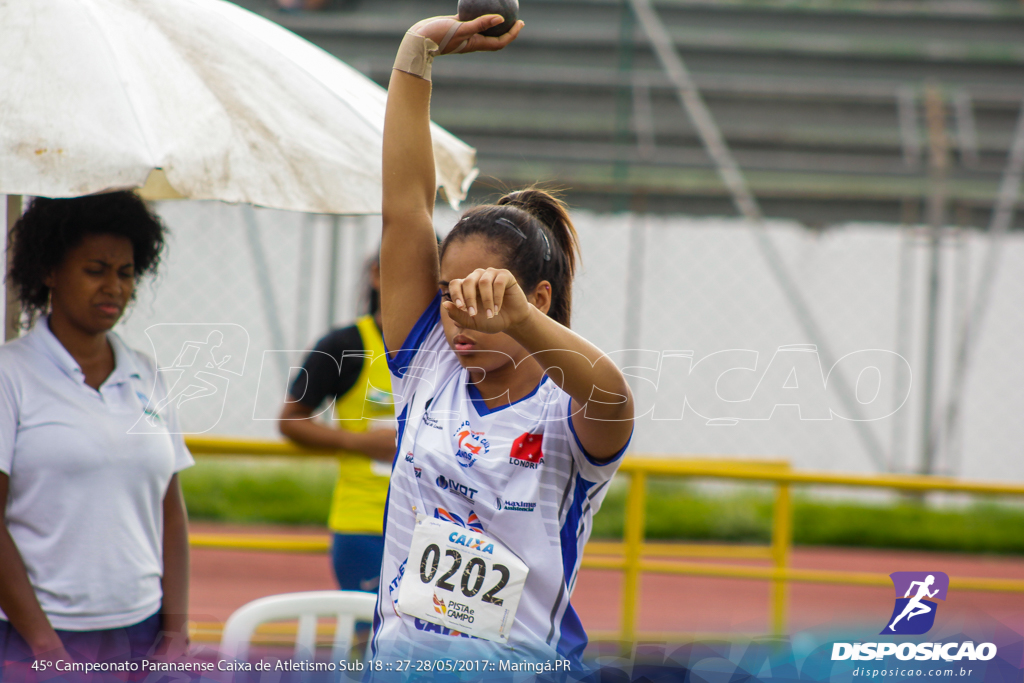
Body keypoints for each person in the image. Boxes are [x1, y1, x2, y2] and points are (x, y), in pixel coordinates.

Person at [369, 12, 635, 671]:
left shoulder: (568, 411)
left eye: (485, 293)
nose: (460, 311)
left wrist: (516, 321)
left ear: (536, 299)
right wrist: (416, 52)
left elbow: (612, 394)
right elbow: (405, 205)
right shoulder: (426, 358)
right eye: (450, 291)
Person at [0, 193, 192, 673]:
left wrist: (174, 629)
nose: (114, 287)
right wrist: (45, 647)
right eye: (95, 269)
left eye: (125, 272)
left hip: (140, 632)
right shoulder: (10, 376)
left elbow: (171, 510)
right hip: (35, 635)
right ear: (49, 272)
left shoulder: (147, 374)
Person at [278, 257, 397, 595]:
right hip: (365, 523)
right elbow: (290, 420)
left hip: (436, 524)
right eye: (409, 270)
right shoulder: (345, 345)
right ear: (377, 273)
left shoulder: (454, 347)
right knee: (368, 638)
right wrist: (362, 443)